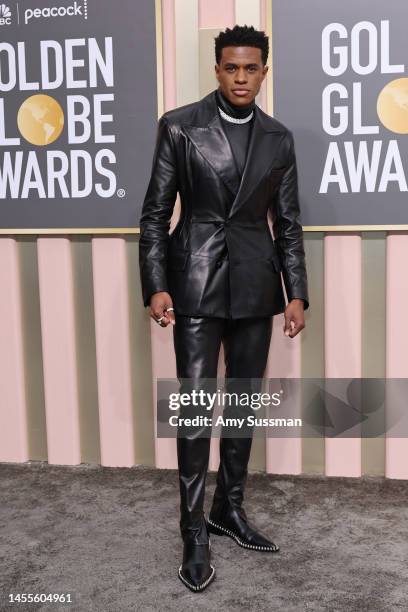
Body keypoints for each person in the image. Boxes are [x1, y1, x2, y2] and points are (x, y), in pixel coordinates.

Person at [139, 25, 309, 593]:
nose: (241, 77)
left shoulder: (279, 138)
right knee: (194, 407)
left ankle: (227, 510)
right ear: (217, 69)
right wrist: (155, 286)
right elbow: (155, 215)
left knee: (241, 403)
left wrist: (297, 293)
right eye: (231, 68)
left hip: (258, 286)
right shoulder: (180, 126)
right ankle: (194, 532)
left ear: (265, 71)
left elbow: (287, 224)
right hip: (195, 279)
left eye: (251, 68)